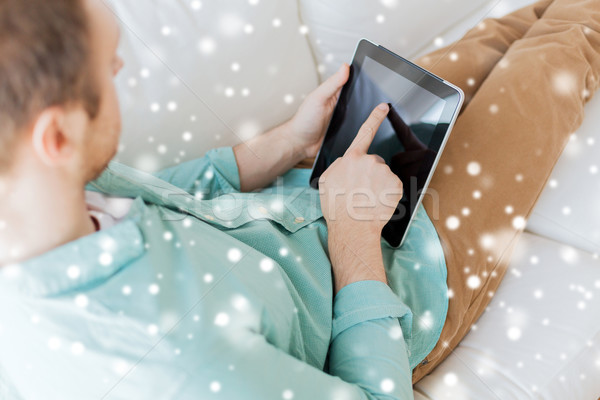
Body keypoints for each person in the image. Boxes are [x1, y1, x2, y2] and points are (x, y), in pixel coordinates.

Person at [0, 1, 598, 400]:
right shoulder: (182, 365)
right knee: (573, 40)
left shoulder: (43, 198)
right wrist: (354, 236)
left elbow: (169, 194)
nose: (123, 66)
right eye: (110, 72)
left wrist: (286, 143)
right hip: (406, 280)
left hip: (327, 183)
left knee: (510, 30)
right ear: (56, 137)